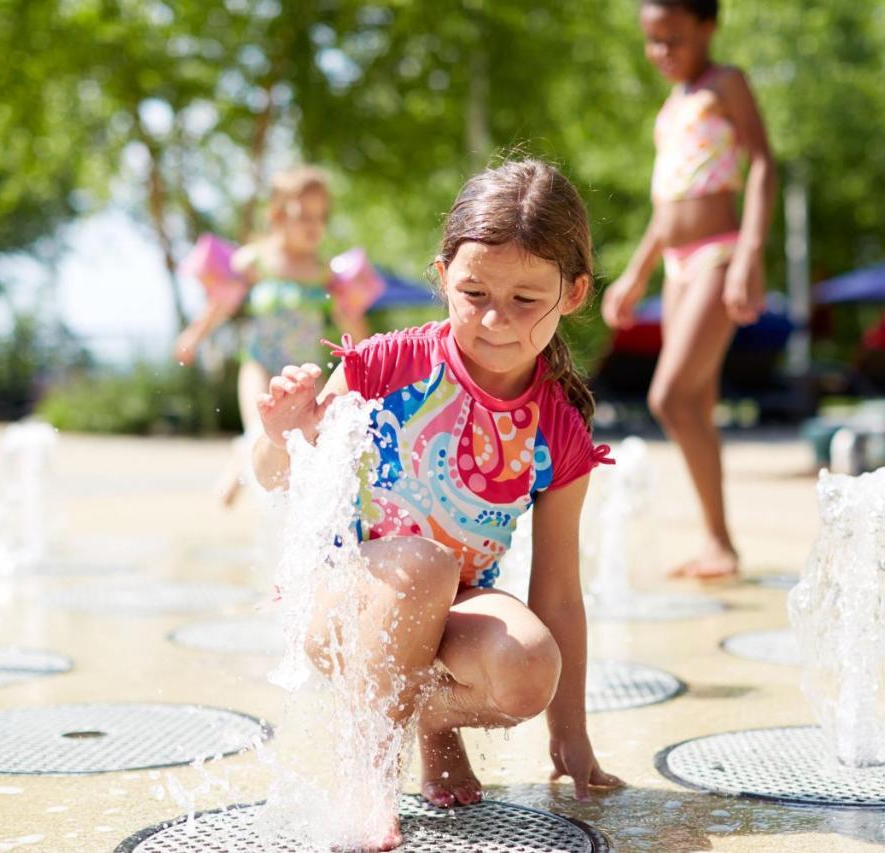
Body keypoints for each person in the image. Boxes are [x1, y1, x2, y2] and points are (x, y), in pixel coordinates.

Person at [252, 160, 624, 849]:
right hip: (347, 608)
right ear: (443, 273)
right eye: (474, 290)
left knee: (529, 666)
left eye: (524, 299)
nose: (494, 319)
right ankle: (369, 770)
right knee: (423, 565)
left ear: (573, 293)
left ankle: (435, 720)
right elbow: (285, 480)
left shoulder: (557, 426)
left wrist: (569, 734)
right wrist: (279, 437)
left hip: (446, 613)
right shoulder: (388, 365)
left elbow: (561, 593)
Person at [602, 0, 775, 580]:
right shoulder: (671, 105)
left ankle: (720, 543)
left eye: (673, 39)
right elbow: (666, 205)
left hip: (720, 254)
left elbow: (764, 165)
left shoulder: (726, 84)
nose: (662, 53)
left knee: (669, 398)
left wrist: (751, 252)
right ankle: (716, 544)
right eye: (652, 41)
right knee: (697, 404)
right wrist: (636, 272)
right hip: (676, 264)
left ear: (708, 26)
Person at [174, 166, 368, 506]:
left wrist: (371, 358)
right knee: (260, 430)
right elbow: (220, 303)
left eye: (320, 216)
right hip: (261, 365)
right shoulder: (255, 261)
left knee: (318, 442)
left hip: (306, 373)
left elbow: (350, 324)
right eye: (303, 215)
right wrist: (194, 335)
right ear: (278, 214)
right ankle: (234, 480)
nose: (314, 225)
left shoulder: (324, 272)